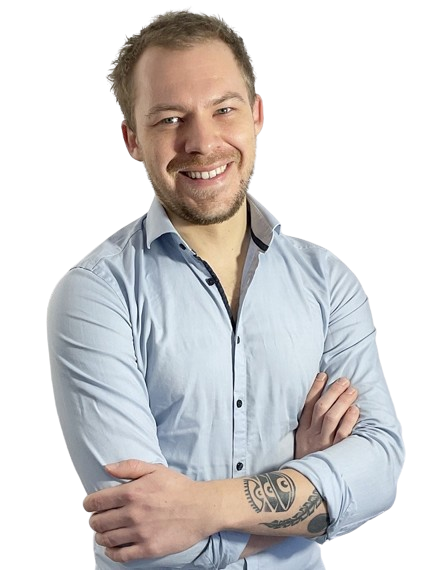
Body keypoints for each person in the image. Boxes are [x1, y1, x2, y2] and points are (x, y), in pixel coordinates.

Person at [46, 7, 405, 569]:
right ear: (131, 139)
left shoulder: (329, 281)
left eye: (224, 109)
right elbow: (139, 530)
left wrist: (200, 510)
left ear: (257, 114)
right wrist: (306, 492)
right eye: (169, 119)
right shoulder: (94, 294)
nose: (202, 141)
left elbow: (380, 468)